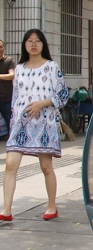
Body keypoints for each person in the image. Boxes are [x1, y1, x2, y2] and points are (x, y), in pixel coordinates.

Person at [1, 29, 68, 222]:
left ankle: (51, 206)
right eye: (30, 41)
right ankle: (6, 210)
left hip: (44, 124)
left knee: (46, 166)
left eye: (38, 41)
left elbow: (63, 95)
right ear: (24, 45)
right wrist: (14, 121)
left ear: (43, 45)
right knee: (11, 164)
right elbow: (16, 98)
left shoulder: (51, 67)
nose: (33, 44)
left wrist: (42, 103)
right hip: (21, 124)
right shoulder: (19, 69)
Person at [0, 39, 15, 139]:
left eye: (0, 46)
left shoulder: (9, 61)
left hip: (6, 99)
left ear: (4, 48)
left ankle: (12, 143)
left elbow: (12, 75)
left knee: (10, 123)